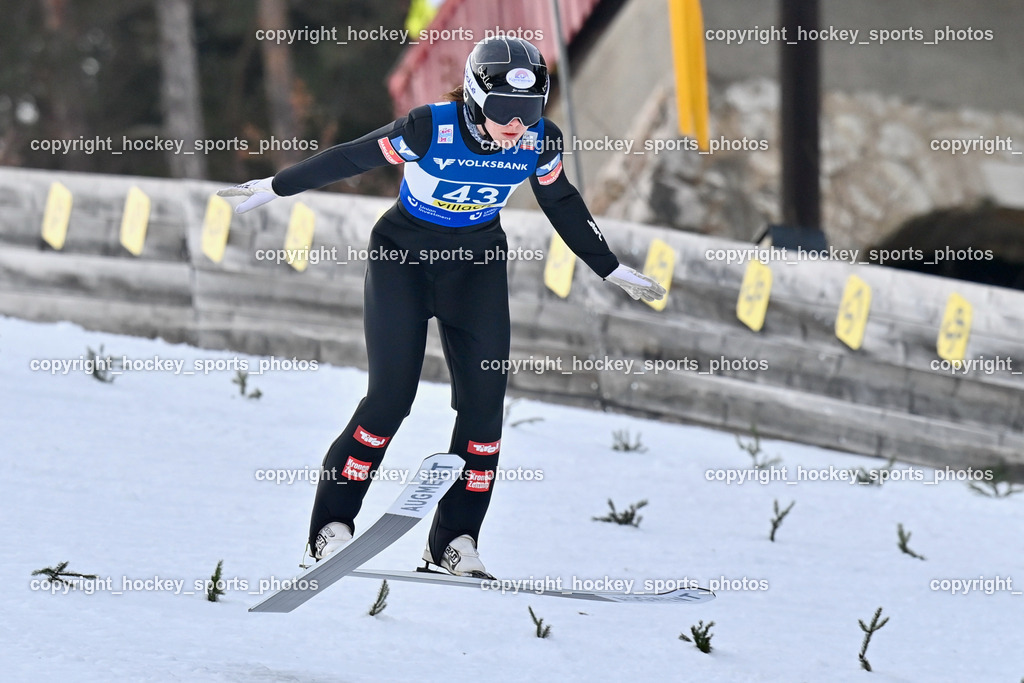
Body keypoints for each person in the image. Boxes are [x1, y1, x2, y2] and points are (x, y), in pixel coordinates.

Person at [218, 36, 665, 578]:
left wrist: (610, 267)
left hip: (474, 269)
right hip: (402, 261)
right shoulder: (431, 127)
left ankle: (455, 541)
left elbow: (563, 202)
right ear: (476, 97)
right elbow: (351, 156)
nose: (515, 125)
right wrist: (279, 185)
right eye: (504, 110)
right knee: (388, 401)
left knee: (484, 414)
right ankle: (330, 528)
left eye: (528, 111)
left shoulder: (540, 142)